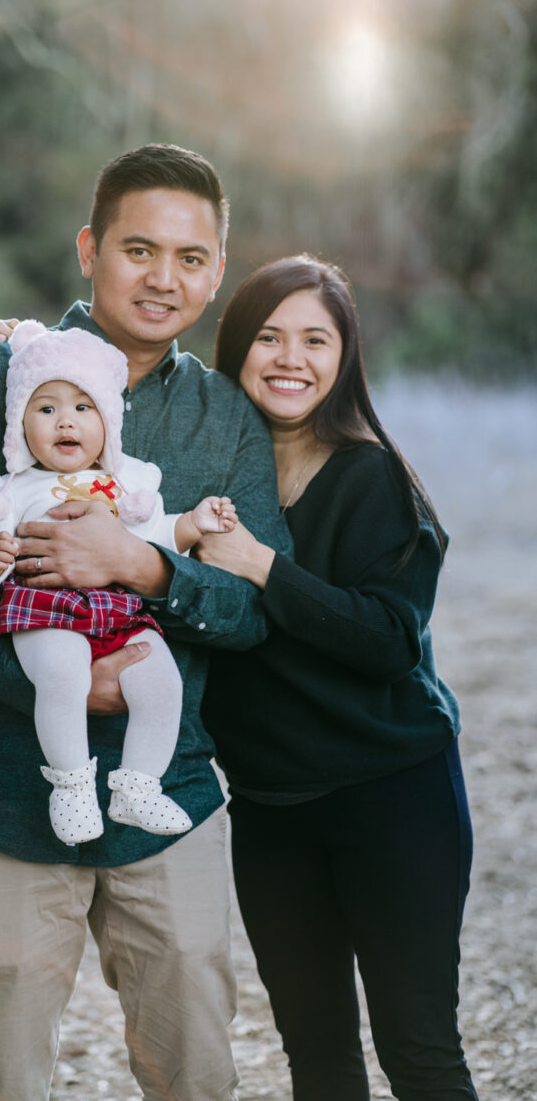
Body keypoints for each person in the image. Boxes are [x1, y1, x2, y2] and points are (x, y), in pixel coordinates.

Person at [0, 143, 289, 1101]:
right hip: (1, 793)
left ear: (217, 270)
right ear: (90, 249)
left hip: (167, 800)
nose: (162, 278)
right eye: (138, 249)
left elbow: (258, 607)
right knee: (6, 1077)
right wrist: (31, 676)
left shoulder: (225, 421)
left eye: (190, 258)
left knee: (197, 1072)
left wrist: (146, 567)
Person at [197, 255, 479, 1100]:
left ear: (344, 355)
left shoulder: (372, 476)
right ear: (239, 349)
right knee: (317, 1059)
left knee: (419, 1053)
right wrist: (23, 352)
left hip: (394, 798)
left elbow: (390, 639)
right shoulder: (208, 484)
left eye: (316, 339)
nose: (292, 358)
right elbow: (93, 414)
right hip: (272, 809)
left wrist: (259, 567)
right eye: (270, 337)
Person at [0, 318, 236, 845]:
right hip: (45, 611)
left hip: (118, 612)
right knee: (62, 676)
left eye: (83, 408)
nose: (66, 422)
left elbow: (155, 536)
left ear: (107, 421)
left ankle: (137, 786)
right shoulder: (13, 488)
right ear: (20, 425)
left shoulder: (124, 485)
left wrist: (193, 523)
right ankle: (70, 785)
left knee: (162, 683)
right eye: (46, 409)